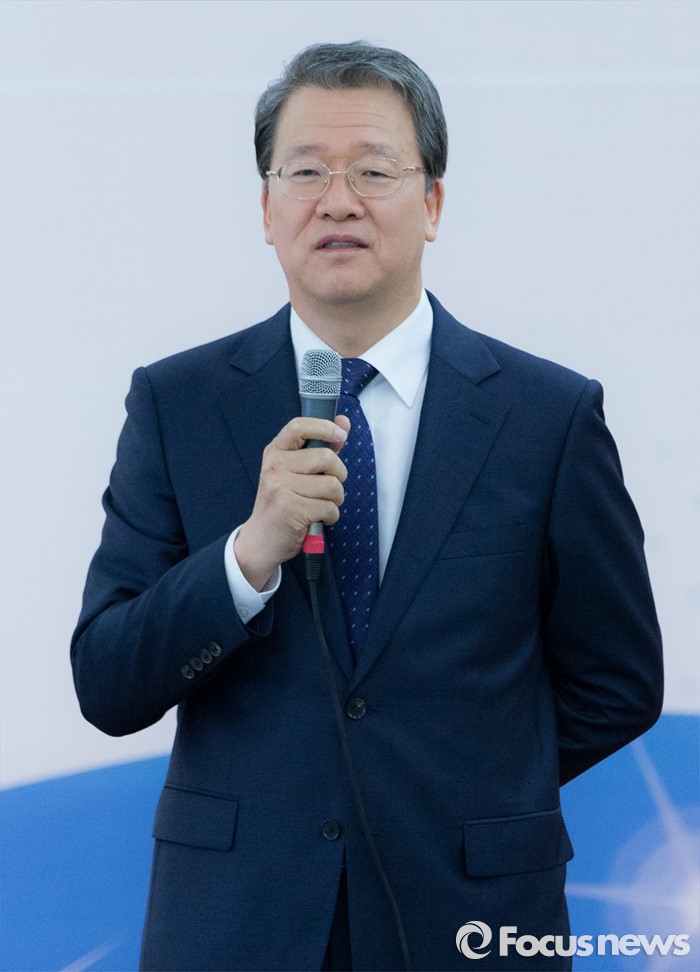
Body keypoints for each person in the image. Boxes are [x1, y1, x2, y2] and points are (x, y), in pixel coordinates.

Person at [71, 41, 663, 972]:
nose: (337, 200)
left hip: (469, 914)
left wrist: (464, 791)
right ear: (266, 209)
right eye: (305, 171)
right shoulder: (178, 403)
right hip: (237, 921)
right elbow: (107, 681)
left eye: (374, 171)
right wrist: (247, 556)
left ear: (432, 204)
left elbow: (618, 680)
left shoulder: (546, 416)